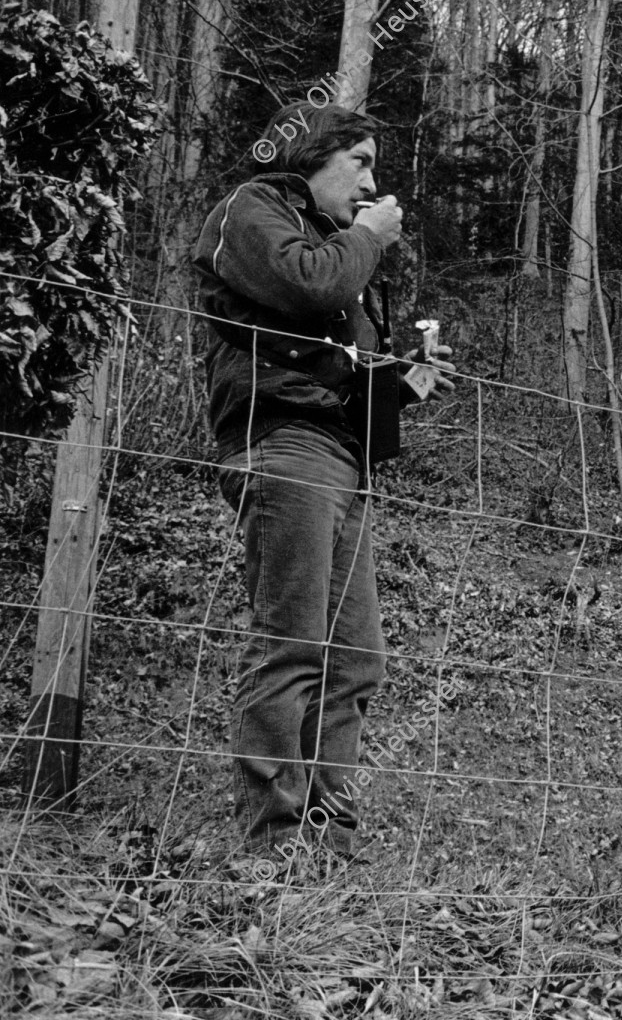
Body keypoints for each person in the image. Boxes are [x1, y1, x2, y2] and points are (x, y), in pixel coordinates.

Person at [192, 101, 453, 861]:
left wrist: (405, 383)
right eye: (361, 161)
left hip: (341, 457)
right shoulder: (253, 208)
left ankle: (327, 838)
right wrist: (368, 239)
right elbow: (309, 288)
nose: (373, 180)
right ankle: (273, 842)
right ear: (311, 155)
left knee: (356, 659)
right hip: (282, 448)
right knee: (293, 647)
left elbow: (340, 369)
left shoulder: (332, 243)